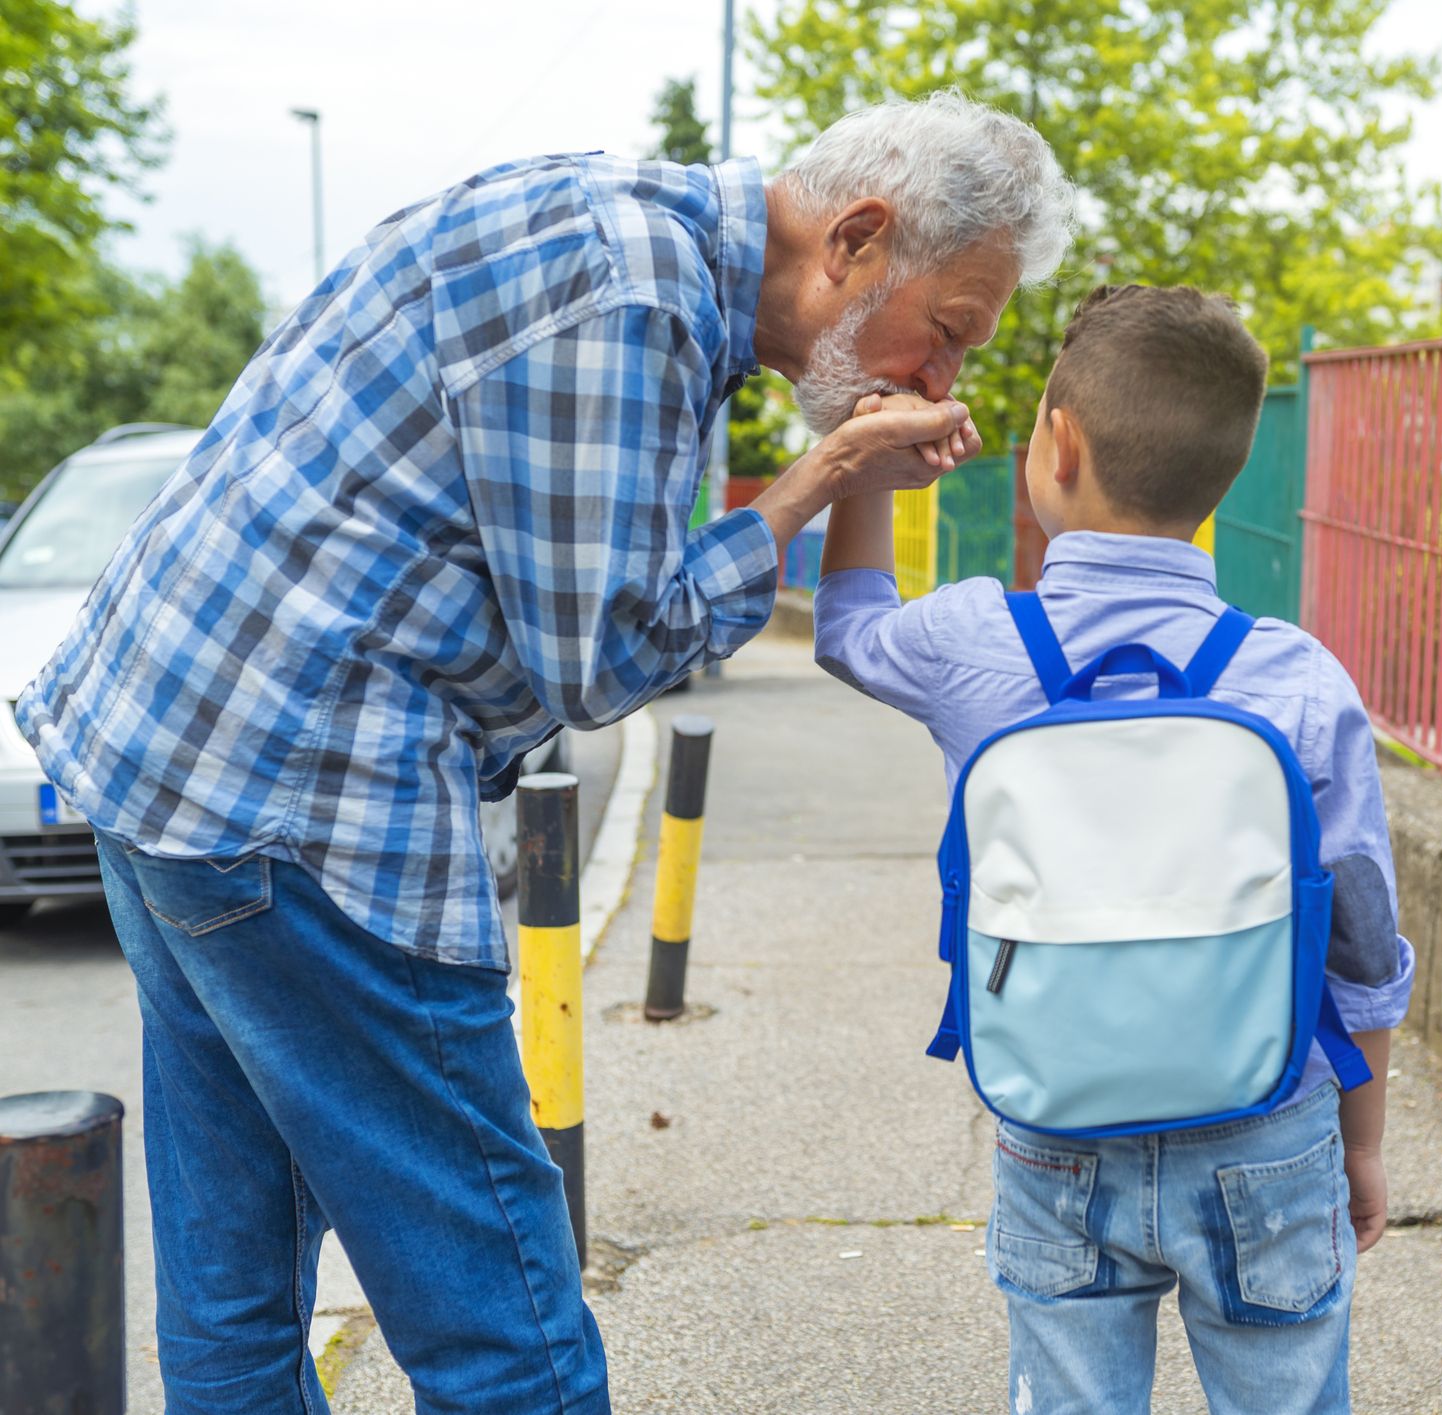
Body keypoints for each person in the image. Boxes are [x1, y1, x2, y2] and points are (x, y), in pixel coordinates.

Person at [12, 92, 1071, 1414]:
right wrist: (811, 484)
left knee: (234, 1311)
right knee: (507, 1330)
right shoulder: (625, 299)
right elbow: (607, 654)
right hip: (302, 800)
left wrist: (830, 463)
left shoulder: (609, 227)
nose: (940, 382)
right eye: (950, 333)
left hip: (162, 773)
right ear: (852, 240)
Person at [811, 284, 1413, 1414]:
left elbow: (846, 628)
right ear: (1226, 478)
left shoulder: (974, 641)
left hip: (1055, 1122)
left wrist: (868, 468)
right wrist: (1362, 1140)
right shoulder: (1292, 675)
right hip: (1267, 1126)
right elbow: (1362, 938)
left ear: (1058, 444)